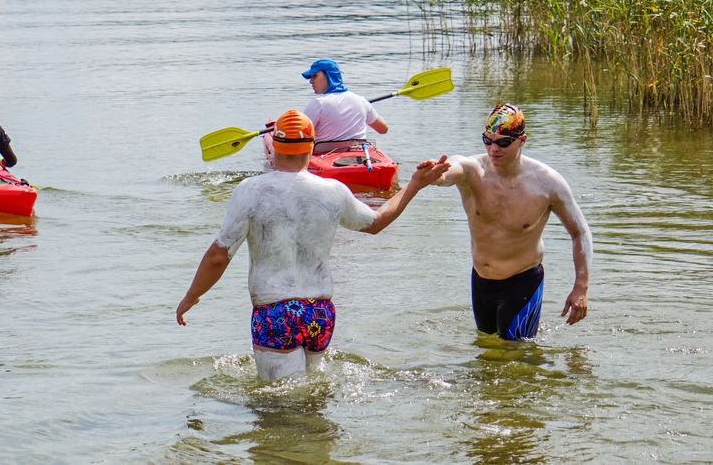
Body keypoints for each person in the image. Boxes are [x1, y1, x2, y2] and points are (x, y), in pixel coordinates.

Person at [176, 109, 449, 381]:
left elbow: (218, 256)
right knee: (312, 396)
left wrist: (192, 296)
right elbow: (376, 222)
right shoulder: (333, 191)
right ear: (312, 148)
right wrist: (414, 184)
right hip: (320, 311)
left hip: (276, 310)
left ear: (273, 149)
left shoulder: (250, 190)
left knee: (279, 406)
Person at [427, 102, 592, 340]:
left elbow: (580, 232)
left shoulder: (548, 183)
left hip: (523, 281)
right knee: (487, 351)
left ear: (522, 140)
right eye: (488, 140)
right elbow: (452, 167)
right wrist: (437, 174)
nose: (493, 148)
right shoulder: (472, 171)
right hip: (481, 281)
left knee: (515, 354)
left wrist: (581, 288)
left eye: (503, 142)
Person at [300, 58, 389, 152]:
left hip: (324, 156)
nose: (311, 81)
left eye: (315, 76)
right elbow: (383, 129)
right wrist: (367, 108)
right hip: (359, 155)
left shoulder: (318, 103)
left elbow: (300, 137)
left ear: (329, 76)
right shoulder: (361, 101)